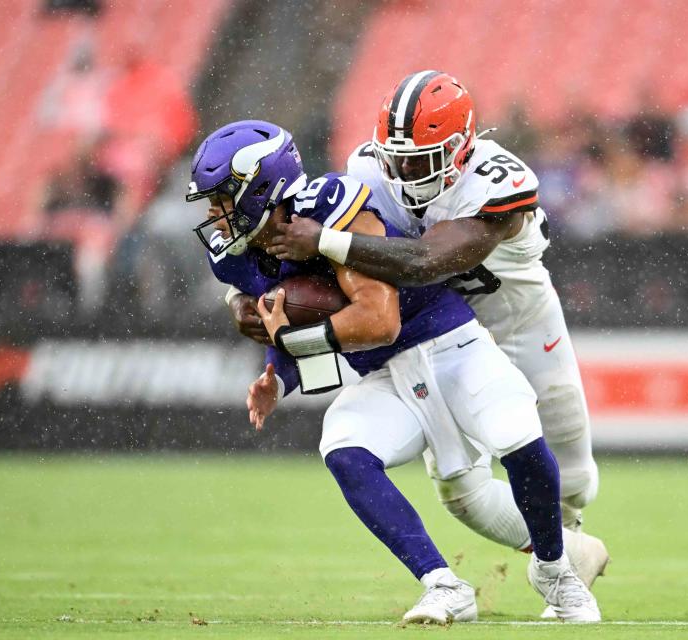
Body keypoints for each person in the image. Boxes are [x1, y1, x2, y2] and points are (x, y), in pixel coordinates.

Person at [186, 120, 601, 624]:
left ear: (259, 188)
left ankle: (556, 572)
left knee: (515, 431)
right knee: (343, 447)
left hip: (451, 345)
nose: (213, 212)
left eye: (223, 196)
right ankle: (443, 584)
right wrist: (280, 372)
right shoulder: (232, 252)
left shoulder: (331, 203)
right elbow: (290, 309)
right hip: (389, 374)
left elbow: (379, 320)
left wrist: (289, 336)